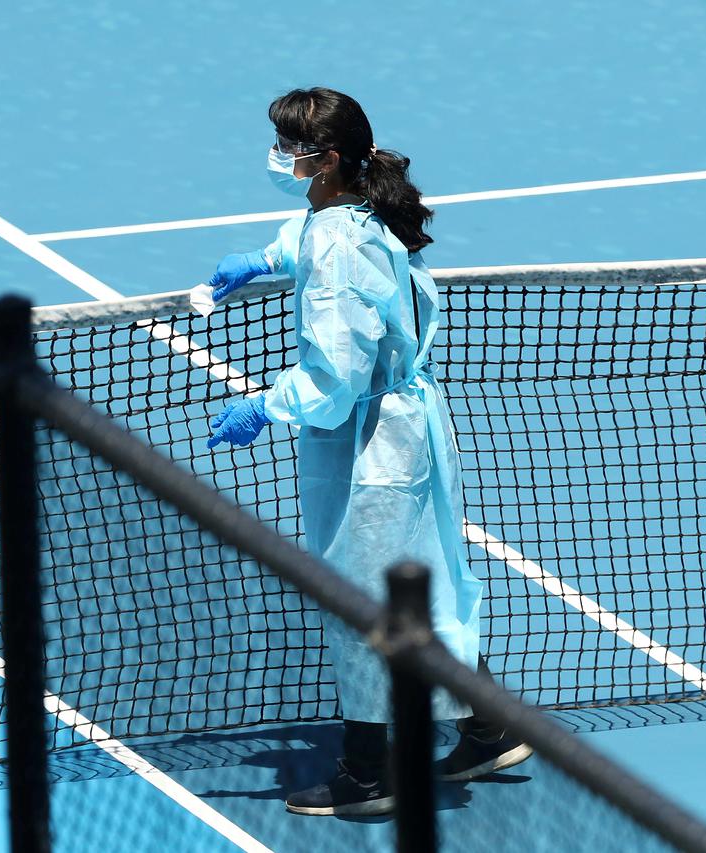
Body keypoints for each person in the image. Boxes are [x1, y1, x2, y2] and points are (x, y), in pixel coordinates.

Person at [206, 87, 532, 816]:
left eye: (289, 146)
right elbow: (324, 241)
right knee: (423, 587)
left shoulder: (339, 243)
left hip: (371, 447)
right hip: (406, 430)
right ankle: (489, 726)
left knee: (365, 604)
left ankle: (369, 770)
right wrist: (264, 258)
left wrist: (265, 403)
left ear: (325, 159)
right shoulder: (356, 207)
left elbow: (335, 378)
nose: (277, 157)